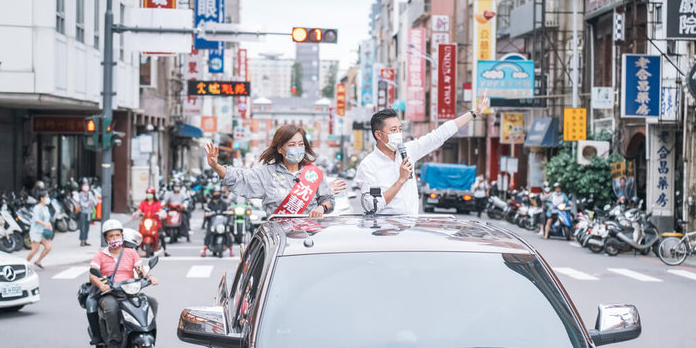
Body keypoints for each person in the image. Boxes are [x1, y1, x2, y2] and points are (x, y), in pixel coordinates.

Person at [354, 91, 489, 215]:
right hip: (385, 232)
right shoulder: (368, 165)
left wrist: (474, 112)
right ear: (379, 134)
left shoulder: (407, 150)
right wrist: (401, 180)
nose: (398, 134)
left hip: (411, 228)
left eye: (400, 129)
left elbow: (439, 135)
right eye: (393, 130)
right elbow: (373, 206)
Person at [205, 124, 345, 217]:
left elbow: (328, 199)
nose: (297, 148)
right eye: (292, 145)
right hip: (279, 240)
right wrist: (216, 166)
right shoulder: (266, 174)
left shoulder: (313, 174)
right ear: (280, 149)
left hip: (309, 239)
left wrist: (321, 209)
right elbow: (238, 178)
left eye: (300, 144)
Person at [86, 220, 158, 347]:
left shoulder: (131, 253)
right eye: (111, 236)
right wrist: (101, 285)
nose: (115, 238)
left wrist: (149, 278)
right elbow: (92, 275)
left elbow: (140, 270)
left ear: (122, 236)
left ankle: (147, 328)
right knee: (111, 307)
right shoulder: (100, 255)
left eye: (117, 235)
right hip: (110, 291)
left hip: (129, 290)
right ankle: (114, 338)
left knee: (152, 302)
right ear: (106, 238)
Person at [133, 187, 169, 256]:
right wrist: (136, 213)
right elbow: (139, 210)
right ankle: (135, 251)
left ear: (153, 194)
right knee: (139, 236)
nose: (149, 195)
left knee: (161, 235)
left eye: (150, 194)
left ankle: (165, 251)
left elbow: (160, 210)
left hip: (156, 223)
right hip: (145, 222)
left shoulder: (157, 203)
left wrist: (162, 213)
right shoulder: (143, 203)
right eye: (148, 193)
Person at [201, 186, 231, 257]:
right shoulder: (210, 203)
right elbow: (206, 212)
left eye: (218, 192)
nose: (216, 194)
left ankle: (231, 250)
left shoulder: (224, 203)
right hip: (212, 222)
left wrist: (229, 213)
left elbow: (228, 212)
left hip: (222, 222)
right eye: (215, 192)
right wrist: (208, 214)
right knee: (208, 234)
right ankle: (204, 250)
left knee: (228, 233)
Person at [26, 190, 53, 269]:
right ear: (42, 198)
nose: (48, 198)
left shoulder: (46, 208)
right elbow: (36, 219)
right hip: (36, 231)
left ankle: (38, 261)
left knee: (48, 247)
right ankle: (25, 264)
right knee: (35, 250)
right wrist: (45, 224)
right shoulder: (37, 208)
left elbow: (47, 219)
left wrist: (49, 225)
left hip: (44, 232)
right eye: (47, 197)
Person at [76, 179, 97, 246]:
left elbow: (95, 202)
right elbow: (81, 203)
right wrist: (88, 204)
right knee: (82, 227)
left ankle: (85, 240)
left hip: (89, 212)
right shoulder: (80, 194)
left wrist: (91, 202)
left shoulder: (90, 193)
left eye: (87, 185)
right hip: (82, 212)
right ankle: (82, 240)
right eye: (84, 185)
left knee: (87, 227)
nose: (86, 186)